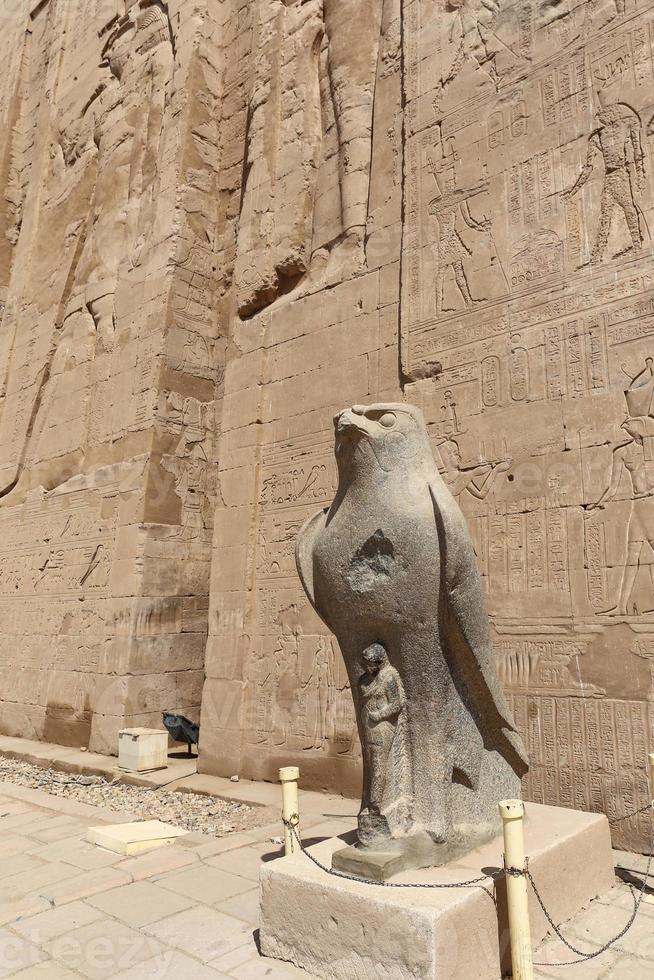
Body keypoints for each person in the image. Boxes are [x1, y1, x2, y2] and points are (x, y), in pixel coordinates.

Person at [358, 643, 406, 814]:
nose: (366, 667)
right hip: (368, 726)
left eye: (370, 664)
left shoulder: (389, 677)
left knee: (378, 764)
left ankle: (375, 805)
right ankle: (371, 802)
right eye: (365, 664)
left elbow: (397, 704)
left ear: (379, 662)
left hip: (382, 726)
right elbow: (363, 689)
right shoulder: (366, 679)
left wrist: (379, 715)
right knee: (371, 764)